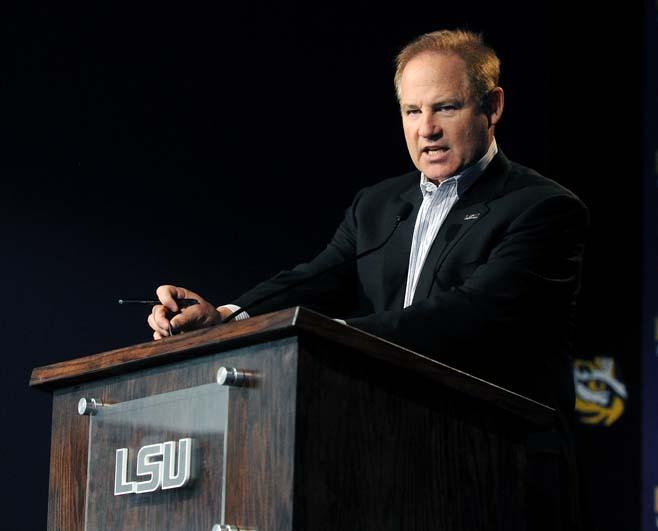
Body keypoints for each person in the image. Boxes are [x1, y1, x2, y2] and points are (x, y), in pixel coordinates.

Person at [149, 29, 587, 527]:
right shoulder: (378, 205)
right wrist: (225, 318)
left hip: (501, 472)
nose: (427, 130)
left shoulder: (543, 208)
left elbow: (471, 316)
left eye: (445, 107)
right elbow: (314, 278)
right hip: (392, 466)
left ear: (493, 107)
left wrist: (318, 340)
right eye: (412, 111)